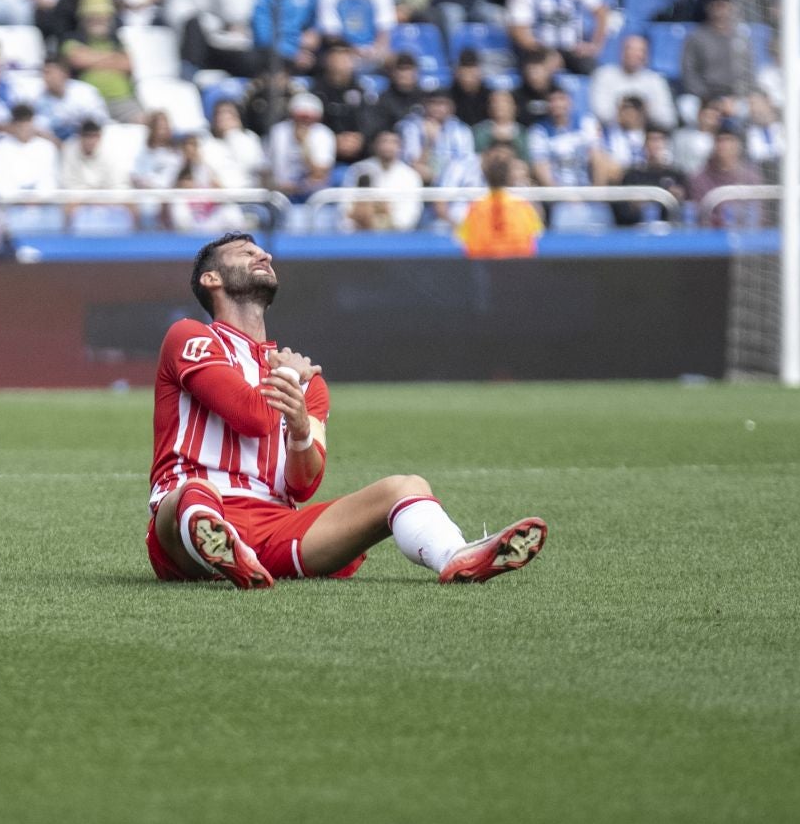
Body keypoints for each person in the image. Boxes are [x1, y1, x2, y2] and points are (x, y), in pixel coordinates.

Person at [145, 230, 549, 589]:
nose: (263, 255)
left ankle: (456, 556)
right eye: (244, 251)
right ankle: (220, 545)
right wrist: (288, 381)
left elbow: (303, 484)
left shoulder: (310, 380)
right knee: (194, 495)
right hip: (187, 517)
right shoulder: (190, 337)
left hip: (274, 524)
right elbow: (250, 417)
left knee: (406, 486)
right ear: (210, 279)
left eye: (263, 251)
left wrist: (300, 424)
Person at [458, 146, 543, 258]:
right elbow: (535, 236)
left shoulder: (476, 208)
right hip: (516, 267)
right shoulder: (521, 206)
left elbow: (465, 241)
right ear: (509, 176)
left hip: (486, 267)